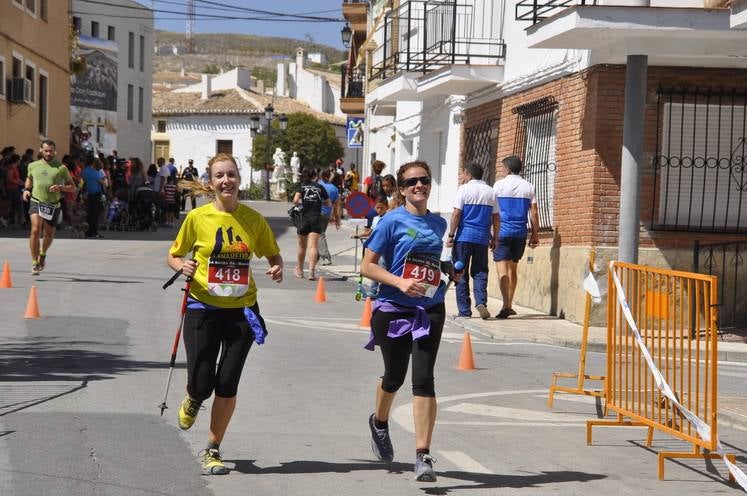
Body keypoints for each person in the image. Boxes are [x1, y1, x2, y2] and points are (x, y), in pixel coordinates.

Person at [166, 152, 283, 476]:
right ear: (211, 182)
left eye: (231, 174)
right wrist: (183, 264)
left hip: (242, 311)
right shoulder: (197, 218)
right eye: (219, 176)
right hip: (202, 307)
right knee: (203, 382)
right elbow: (174, 255)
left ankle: (213, 448)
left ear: (239, 179)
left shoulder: (253, 220)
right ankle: (193, 397)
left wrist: (276, 266)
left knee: (228, 381)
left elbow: (273, 253)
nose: (226, 181)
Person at [360, 161, 458, 482]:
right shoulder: (390, 221)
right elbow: (367, 266)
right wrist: (400, 282)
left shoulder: (440, 224)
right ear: (401, 189)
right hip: (392, 309)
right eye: (412, 181)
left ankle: (423, 455)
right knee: (394, 376)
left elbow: (433, 262)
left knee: (424, 379)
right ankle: (379, 421)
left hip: (430, 307)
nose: (419, 186)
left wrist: (447, 271)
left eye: (424, 180)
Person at [445, 162, 499, 320]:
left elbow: (456, 214)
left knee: (460, 272)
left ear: (468, 174)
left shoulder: (463, 190)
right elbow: (496, 217)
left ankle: (464, 311)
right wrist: (495, 237)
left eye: (463, 174)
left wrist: (450, 235)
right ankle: (481, 302)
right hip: (482, 239)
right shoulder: (491, 192)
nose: (462, 177)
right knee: (480, 271)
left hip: (463, 237)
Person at [492, 155, 539, 318]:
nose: (502, 170)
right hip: (520, 233)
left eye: (503, 168)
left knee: (501, 269)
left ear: (508, 169)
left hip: (502, 232)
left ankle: (505, 305)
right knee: (513, 268)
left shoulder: (499, 185)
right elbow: (534, 212)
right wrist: (535, 234)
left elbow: (493, 211)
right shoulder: (528, 186)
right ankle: (510, 304)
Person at [22, 140, 76, 275]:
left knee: (49, 234)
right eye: (46, 150)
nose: (48, 153)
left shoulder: (61, 168)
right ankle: (34, 263)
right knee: (35, 229)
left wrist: (61, 187)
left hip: (52, 204)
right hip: (36, 200)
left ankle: (43, 253)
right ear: (41, 150)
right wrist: (27, 189)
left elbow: (73, 187)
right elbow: (29, 178)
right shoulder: (32, 165)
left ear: (55, 151)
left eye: (51, 151)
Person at [292, 168, 330, 280]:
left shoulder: (302, 186)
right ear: (315, 176)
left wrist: (303, 204)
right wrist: (318, 202)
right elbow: (328, 203)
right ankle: (311, 272)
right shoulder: (320, 187)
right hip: (316, 218)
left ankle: (299, 270)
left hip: (304, 218)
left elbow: (295, 200)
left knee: (302, 246)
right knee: (313, 245)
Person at [317, 168, 340, 266]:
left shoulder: (318, 185)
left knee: (319, 234)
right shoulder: (334, 188)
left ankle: (326, 257)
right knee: (318, 234)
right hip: (326, 214)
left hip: (317, 213)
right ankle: (316, 257)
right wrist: (336, 218)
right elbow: (336, 205)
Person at [81, 155, 107, 238]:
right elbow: (103, 183)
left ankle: (88, 232)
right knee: (95, 214)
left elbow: (82, 181)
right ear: (93, 162)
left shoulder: (84, 171)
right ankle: (94, 232)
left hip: (89, 194)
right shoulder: (94, 172)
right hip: (96, 194)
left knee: (90, 214)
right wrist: (104, 183)